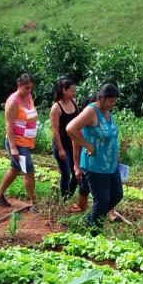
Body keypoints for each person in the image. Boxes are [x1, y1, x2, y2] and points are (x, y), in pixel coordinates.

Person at [68, 83, 122, 228]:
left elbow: (110, 136)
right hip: (95, 164)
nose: (113, 104)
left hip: (110, 164)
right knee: (102, 201)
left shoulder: (107, 112)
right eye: (111, 101)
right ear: (102, 98)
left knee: (117, 195)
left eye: (114, 101)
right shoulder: (91, 111)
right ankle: (94, 233)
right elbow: (71, 129)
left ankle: (90, 219)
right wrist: (88, 145)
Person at [0, 73, 39, 210]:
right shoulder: (12, 101)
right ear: (19, 85)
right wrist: (13, 147)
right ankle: (33, 203)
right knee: (29, 171)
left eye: (31, 88)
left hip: (26, 141)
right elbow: (9, 125)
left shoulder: (28, 96)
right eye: (26, 88)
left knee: (15, 168)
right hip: (17, 142)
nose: (29, 91)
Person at [50, 77, 82, 210]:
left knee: (77, 171)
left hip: (74, 143)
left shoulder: (73, 103)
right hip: (62, 144)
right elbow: (55, 131)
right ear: (64, 91)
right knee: (66, 173)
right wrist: (60, 149)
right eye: (72, 90)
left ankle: (68, 196)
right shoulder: (56, 108)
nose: (74, 93)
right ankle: (63, 200)